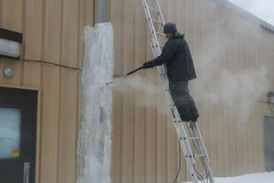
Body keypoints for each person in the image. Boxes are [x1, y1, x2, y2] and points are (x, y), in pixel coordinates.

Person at [143, 22, 199, 122]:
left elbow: (164, 58)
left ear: (170, 32)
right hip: (184, 74)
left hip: (177, 75)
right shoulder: (182, 41)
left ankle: (185, 116)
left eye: (166, 33)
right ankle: (194, 114)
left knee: (177, 95)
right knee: (185, 94)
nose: (165, 35)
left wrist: (149, 64)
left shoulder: (173, 42)